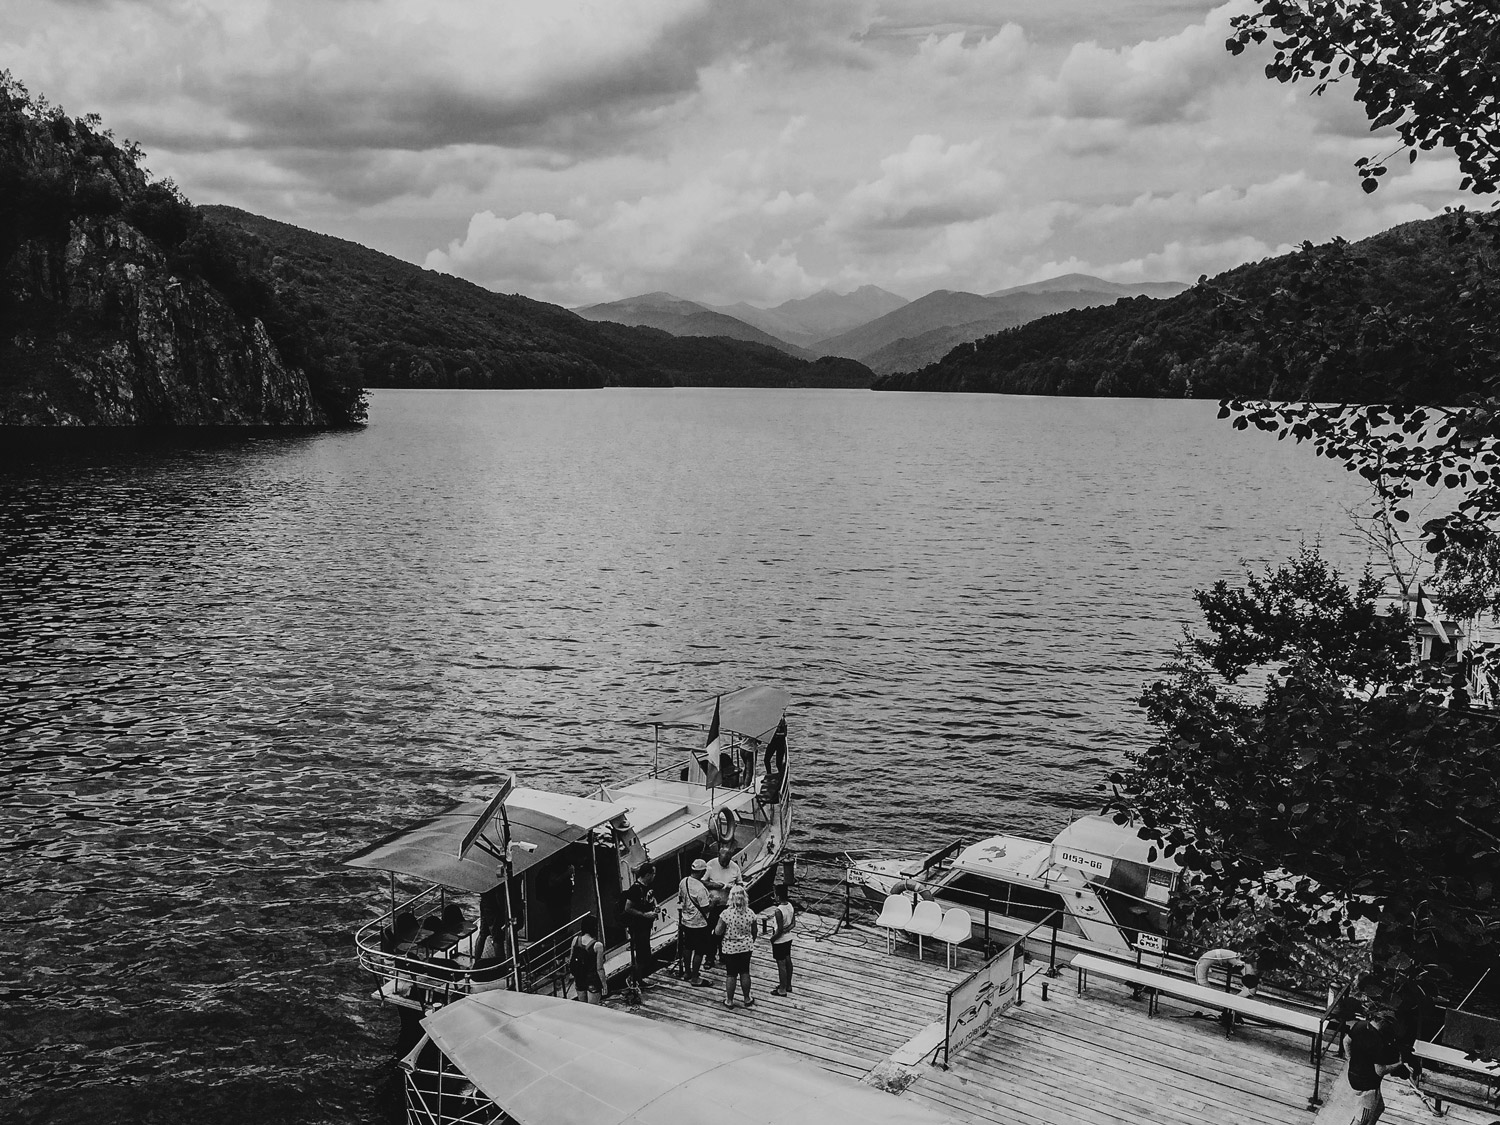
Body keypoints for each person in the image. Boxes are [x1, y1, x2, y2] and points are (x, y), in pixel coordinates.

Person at [1343, 1009, 1405, 1124]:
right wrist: (1398, 1064)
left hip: (1354, 1074)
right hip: (1367, 1086)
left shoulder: (1360, 1025)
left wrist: (1350, 1058)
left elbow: (1346, 1041)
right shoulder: (1379, 1042)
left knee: (1379, 1108)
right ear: (1383, 1023)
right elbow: (1380, 1070)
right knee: (1362, 1119)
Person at [715, 885, 758, 1009]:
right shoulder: (750, 913)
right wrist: (750, 941)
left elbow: (718, 931)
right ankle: (747, 998)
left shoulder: (726, 914)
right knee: (745, 972)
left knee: (731, 974)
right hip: (746, 947)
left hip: (730, 948)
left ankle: (729, 1000)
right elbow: (754, 931)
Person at [620, 862, 661, 991]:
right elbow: (628, 908)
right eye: (653, 873)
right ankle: (634, 979)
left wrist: (656, 906)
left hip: (646, 926)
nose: (654, 876)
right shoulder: (635, 889)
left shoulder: (648, 886)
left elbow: (651, 898)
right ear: (648, 874)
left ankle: (638, 978)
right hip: (638, 926)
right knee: (642, 955)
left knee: (646, 954)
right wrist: (644, 915)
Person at [702, 842, 742, 968]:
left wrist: (734, 887)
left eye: (727, 861)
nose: (724, 863)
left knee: (726, 931)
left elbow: (740, 883)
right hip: (714, 905)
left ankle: (723, 954)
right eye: (722, 861)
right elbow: (702, 882)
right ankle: (710, 957)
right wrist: (717, 885)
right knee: (712, 931)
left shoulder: (735, 867)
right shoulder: (710, 865)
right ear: (718, 855)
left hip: (728, 905)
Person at [677, 858, 713, 985]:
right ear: (702, 871)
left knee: (688, 947)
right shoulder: (700, 888)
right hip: (699, 923)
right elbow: (706, 907)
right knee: (699, 950)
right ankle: (695, 978)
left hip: (686, 921)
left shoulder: (683, 881)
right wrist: (715, 901)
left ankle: (687, 972)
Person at [763, 883, 797, 996]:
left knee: (781, 964)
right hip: (789, 938)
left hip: (780, 940)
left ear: (777, 896)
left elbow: (779, 929)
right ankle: (788, 984)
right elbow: (793, 924)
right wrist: (787, 930)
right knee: (788, 960)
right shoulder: (790, 906)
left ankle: (782, 989)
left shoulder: (778, 911)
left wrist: (772, 939)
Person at [567, 917, 607, 1004]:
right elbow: (599, 968)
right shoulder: (598, 945)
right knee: (593, 1008)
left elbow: (571, 959)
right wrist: (604, 984)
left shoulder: (575, 940)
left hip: (579, 978)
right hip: (592, 980)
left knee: (584, 1008)